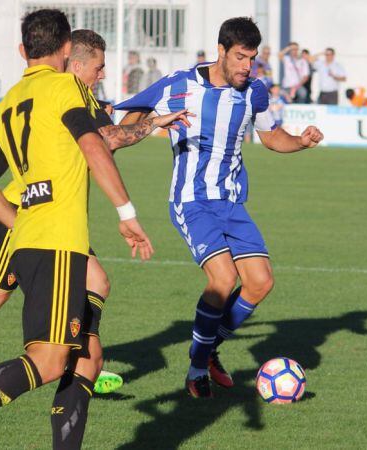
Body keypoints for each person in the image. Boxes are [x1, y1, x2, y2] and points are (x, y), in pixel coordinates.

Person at [0, 11, 156, 449]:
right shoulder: (65, 88)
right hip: (57, 240)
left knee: (86, 354)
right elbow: (95, 143)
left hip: (34, 237)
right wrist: (126, 211)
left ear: (23, 51)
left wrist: (21, 223)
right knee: (49, 359)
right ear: (64, 52)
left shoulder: (9, 101)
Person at [115, 17, 324, 399]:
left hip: (231, 202)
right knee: (224, 279)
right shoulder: (178, 85)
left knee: (260, 282)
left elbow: (273, 138)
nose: (248, 66)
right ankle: (197, 369)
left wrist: (301, 141)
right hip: (191, 201)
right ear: (222, 51)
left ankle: (208, 348)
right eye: (241, 57)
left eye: (253, 58)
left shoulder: (255, 92)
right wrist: (119, 138)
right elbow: (124, 128)